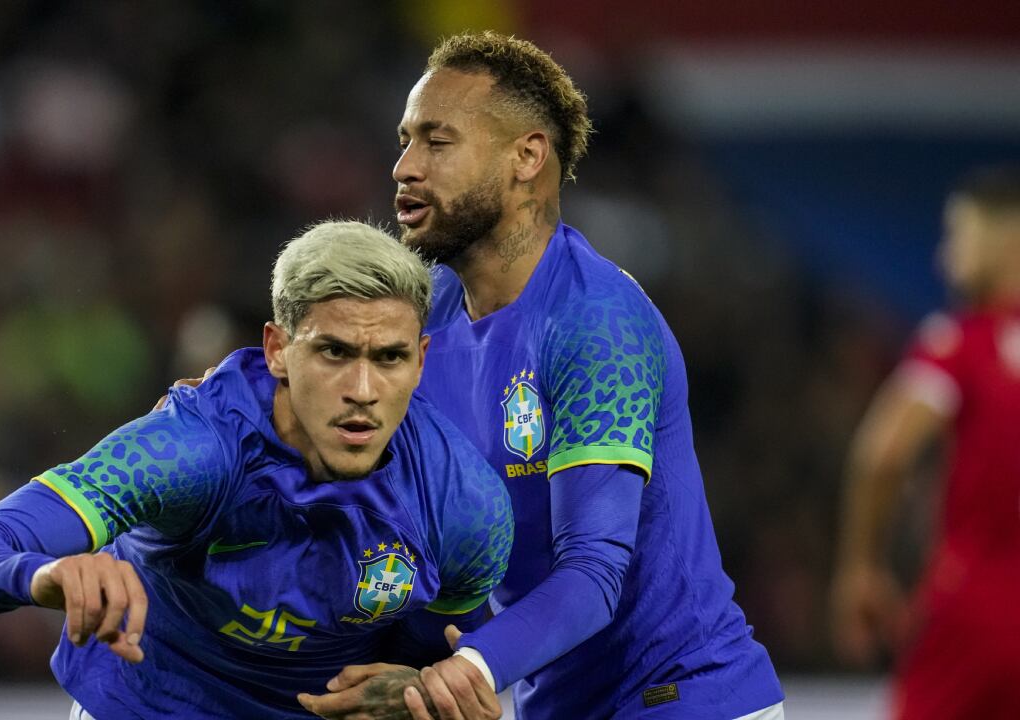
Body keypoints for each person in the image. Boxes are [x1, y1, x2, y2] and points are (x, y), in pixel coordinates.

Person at [264, 31, 784, 720]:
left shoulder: (595, 322)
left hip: (681, 699)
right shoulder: (425, 317)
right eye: (403, 140)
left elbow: (595, 574)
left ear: (526, 157)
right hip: (552, 703)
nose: (403, 167)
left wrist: (462, 671)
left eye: (436, 141)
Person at [0, 221, 514, 719]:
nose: (362, 389)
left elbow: (425, 662)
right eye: (334, 352)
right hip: (147, 707)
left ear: (421, 359)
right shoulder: (188, 452)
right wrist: (45, 575)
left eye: (389, 358)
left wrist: (424, 694)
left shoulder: (462, 507)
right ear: (278, 350)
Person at [831, 167, 1020, 720]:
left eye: (959, 235)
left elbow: (880, 453)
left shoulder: (961, 341)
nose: (946, 255)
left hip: (980, 601)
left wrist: (860, 567)